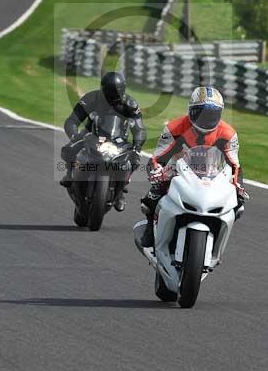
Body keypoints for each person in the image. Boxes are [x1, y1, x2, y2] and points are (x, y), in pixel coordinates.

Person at [140, 86, 246, 247]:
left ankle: (215, 237)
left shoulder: (228, 133)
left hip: (213, 169)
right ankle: (151, 227)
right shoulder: (174, 128)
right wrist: (157, 171)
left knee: (237, 205)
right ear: (191, 110)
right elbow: (159, 157)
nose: (206, 118)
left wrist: (238, 186)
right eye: (201, 113)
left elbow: (235, 165)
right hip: (178, 166)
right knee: (151, 197)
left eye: (212, 114)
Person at [60, 71, 146, 211]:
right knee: (70, 149)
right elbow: (71, 121)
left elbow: (139, 129)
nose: (112, 99)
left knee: (134, 159)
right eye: (109, 95)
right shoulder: (90, 99)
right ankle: (70, 175)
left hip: (118, 140)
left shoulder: (130, 104)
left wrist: (137, 146)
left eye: (115, 95)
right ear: (103, 90)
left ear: (122, 91)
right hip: (90, 134)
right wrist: (75, 136)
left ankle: (122, 187)